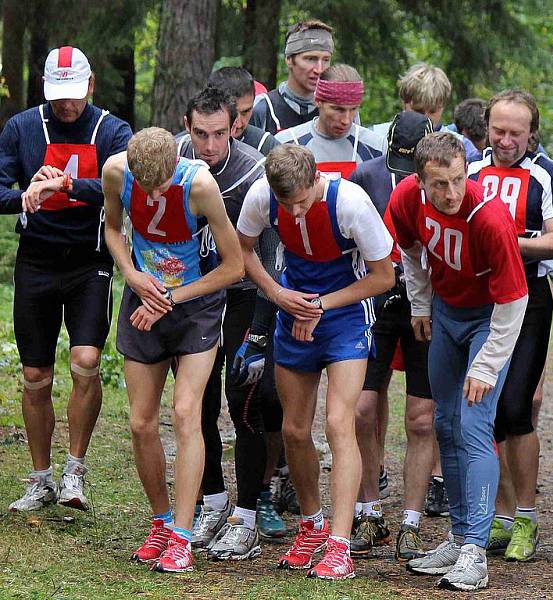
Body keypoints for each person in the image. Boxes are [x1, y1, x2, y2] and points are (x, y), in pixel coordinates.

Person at [236, 144, 394, 580]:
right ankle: (312, 525)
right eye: (288, 206)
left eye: (302, 202)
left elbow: (384, 276)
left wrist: (322, 306)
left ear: (315, 180)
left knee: (339, 423)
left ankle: (341, 544)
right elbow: (244, 249)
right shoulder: (262, 197)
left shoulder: (351, 203)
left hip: (344, 313)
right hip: (294, 307)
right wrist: (277, 293)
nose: (296, 212)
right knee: (293, 429)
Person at [102, 127, 244, 573]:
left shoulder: (200, 185)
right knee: (141, 422)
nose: (153, 193)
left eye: (161, 186)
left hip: (194, 303)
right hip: (144, 296)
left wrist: (169, 298)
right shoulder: (115, 172)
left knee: (186, 412)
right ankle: (161, 521)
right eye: (145, 188)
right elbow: (111, 228)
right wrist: (131, 274)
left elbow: (234, 266)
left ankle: (183, 534)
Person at [391, 132, 528, 591]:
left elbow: (514, 300)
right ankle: (458, 533)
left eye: (457, 180)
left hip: (489, 318)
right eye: (439, 185)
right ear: (420, 181)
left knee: (473, 425)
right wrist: (420, 304)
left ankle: (475, 550)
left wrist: (487, 365)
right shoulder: (407, 199)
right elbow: (411, 251)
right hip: (447, 315)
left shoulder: (489, 217)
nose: (451, 194)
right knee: (444, 423)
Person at [0, 46, 131, 513]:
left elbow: (125, 186)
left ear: (90, 85)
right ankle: (40, 479)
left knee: (86, 359)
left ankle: (76, 468)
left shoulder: (112, 130)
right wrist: (25, 194)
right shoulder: (21, 128)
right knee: (35, 374)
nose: (67, 106)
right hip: (36, 260)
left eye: (74, 96)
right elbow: (0, 190)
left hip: (90, 259)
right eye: (58, 97)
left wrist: (69, 185)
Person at [175, 86, 287, 557]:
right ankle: (213, 501)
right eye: (201, 134)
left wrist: (261, 326)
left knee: (245, 395)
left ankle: (247, 512)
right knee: (194, 399)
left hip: (245, 291)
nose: (210, 145)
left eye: (220, 133)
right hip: (194, 294)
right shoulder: (174, 161)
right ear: (187, 128)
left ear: (235, 127)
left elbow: (272, 255)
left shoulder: (253, 173)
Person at [467, 89, 553, 562]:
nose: (506, 140)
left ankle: (527, 516)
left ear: (533, 133)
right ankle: (502, 514)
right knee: (482, 410)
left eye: (516, 132)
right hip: (475, 302)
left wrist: (505, 242)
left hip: (527, 302)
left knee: (516, 408)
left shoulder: (547, 174)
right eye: (498, 130)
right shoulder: (468, 170)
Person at [348, 111, 437, 560]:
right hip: (377, 300)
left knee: (421, 418)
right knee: (362, 409)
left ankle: (412, 522)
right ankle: (369, 511)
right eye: (396, 166)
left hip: (425, 304)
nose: (402, 178)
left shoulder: (442, 182)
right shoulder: (364, 175)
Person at [275, 64, 385, 179]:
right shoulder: (287, 144)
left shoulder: (377, 147)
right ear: (318, 101)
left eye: (353, 109)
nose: (346, 120)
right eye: (338, 109)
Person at [372, 63, 481, 163]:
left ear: (443, 106)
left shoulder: (463, 147)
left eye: (432, 111)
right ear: (404, 102)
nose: (425, 118)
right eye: (418, 111)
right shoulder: (376, 137)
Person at [251, 19, 333, 134]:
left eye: (326, 60)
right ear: (289, 59)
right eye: (310, 59)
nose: (319, 69)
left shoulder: (339, 109)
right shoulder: (263, 108)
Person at [208, 67, 280, 157]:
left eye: (245, 112)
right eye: (231, 113)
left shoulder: (265, 145)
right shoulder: (187, 144)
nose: (238, 124)